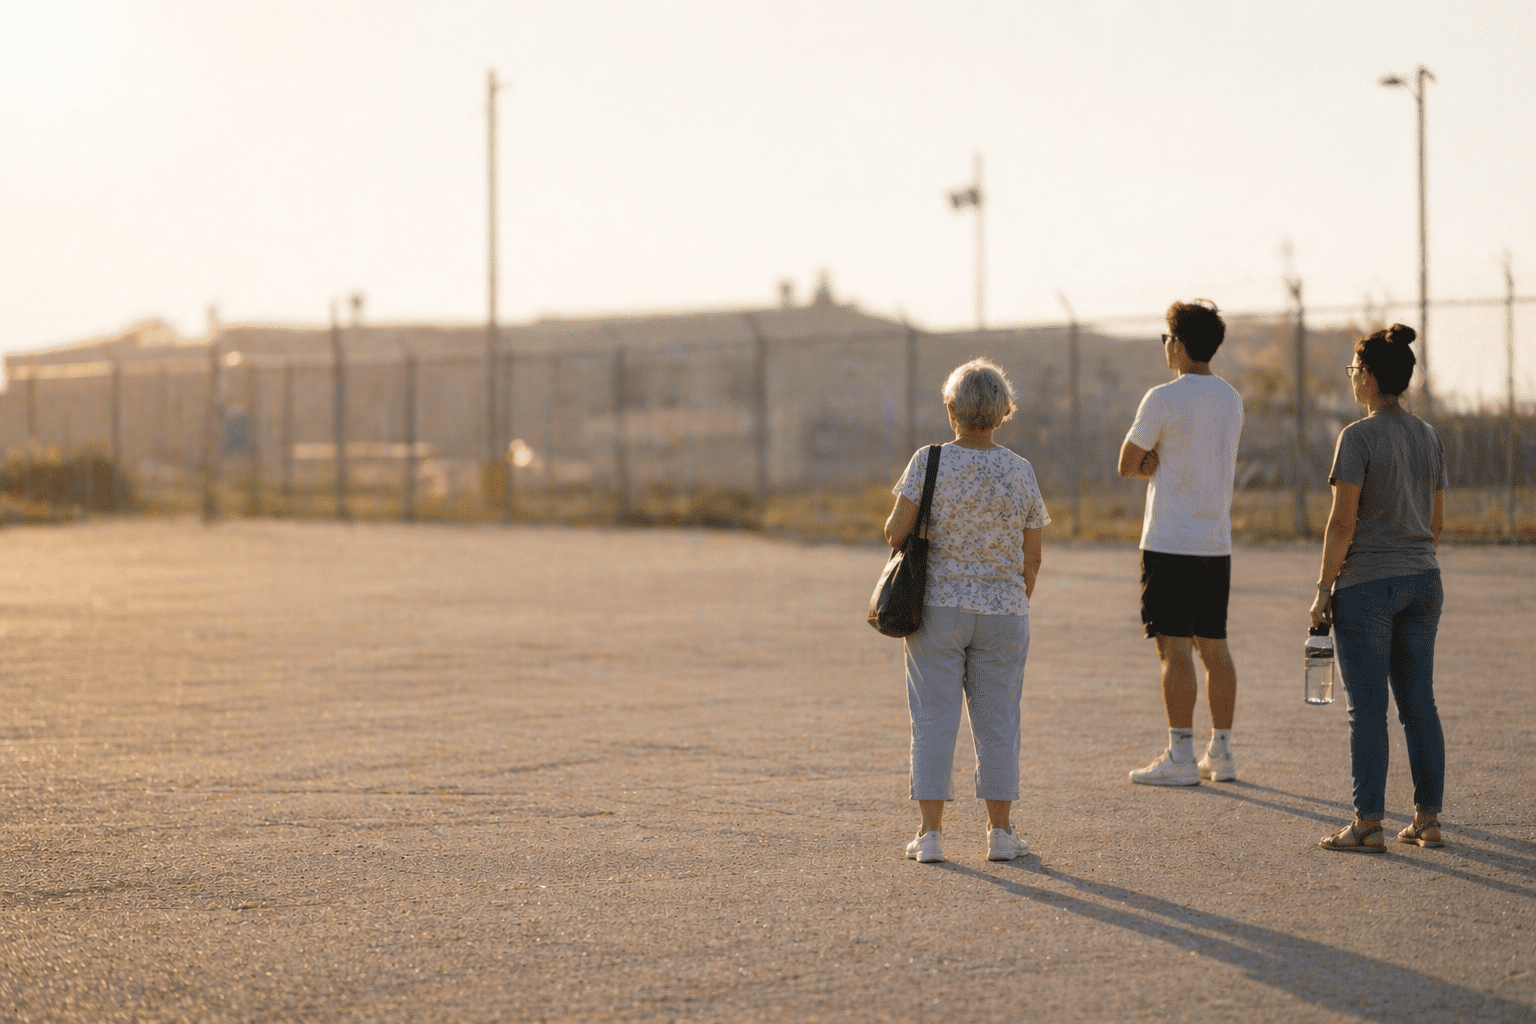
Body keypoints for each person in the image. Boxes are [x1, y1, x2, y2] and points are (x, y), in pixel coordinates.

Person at [883, 358, 1050, 864]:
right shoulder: (1020, 470)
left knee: (933, 718)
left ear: (952, 409)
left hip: (938, 608)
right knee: (998, 721)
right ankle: (1001, 833)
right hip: (1004, 612)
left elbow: (895, 531)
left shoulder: (928, 461)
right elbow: (1033, 553)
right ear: (1003, 412)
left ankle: (930, 835)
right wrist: (1014, 598)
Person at [1312, 324, 1448, 853]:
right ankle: (1428, 819)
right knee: (1420, 705)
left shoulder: (1358, 437)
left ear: (1367, 377)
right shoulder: (1428, 436)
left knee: (1367, 709)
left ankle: (1369, 824)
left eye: (1353, 370)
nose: (1352, 378)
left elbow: (1341, 524)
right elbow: (1436, 523)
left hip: (1367, 586)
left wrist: (1324, 588)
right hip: (1424, 580)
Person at [1118, 299, 1245, 786]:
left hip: (1170, 541)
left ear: (1181, 342)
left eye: (1167, 337)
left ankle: (1180, 756)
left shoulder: (1162, 398)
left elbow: (1127, 463)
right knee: (1215, 648)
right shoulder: (1231, 398)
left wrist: (1155, 464)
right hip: (1215, 543)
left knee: (1174, 650)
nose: (1165, 345)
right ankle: (1223, 752)